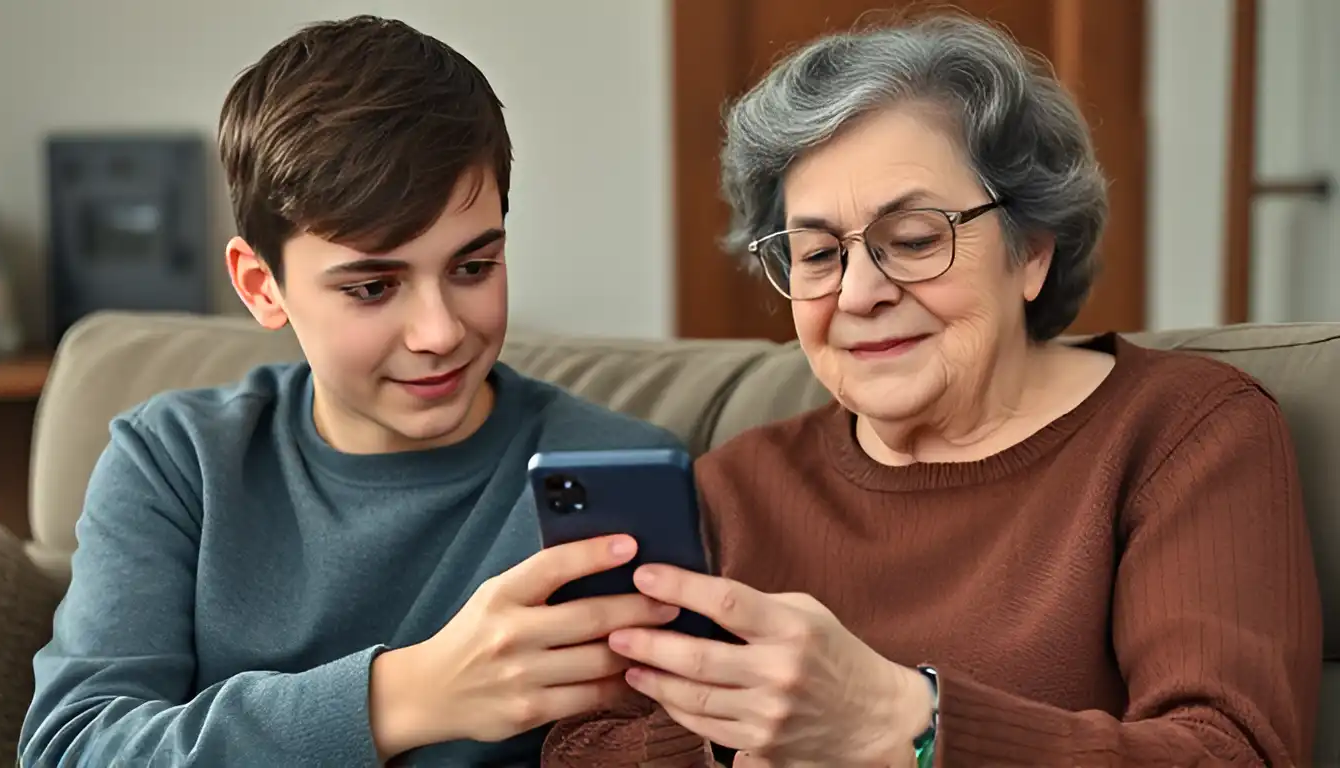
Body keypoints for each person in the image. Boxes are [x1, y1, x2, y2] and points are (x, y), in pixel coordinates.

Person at [544, 13, 1324, 768]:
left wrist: (902, 720)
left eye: (914, 240)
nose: (857, 293)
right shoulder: (731, 486)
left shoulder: (1182, 431)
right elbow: (580, 750)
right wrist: (735, 733)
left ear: (1031, 253)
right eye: (817, 255)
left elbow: (1229, 753)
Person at [18, 15, 686, 768]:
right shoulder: (175, 461)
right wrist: (402, 697)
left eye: (473, 268)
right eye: (373, 286)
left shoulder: (616, 467)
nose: (438, 331)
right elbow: (73, 749)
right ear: (260, 286)